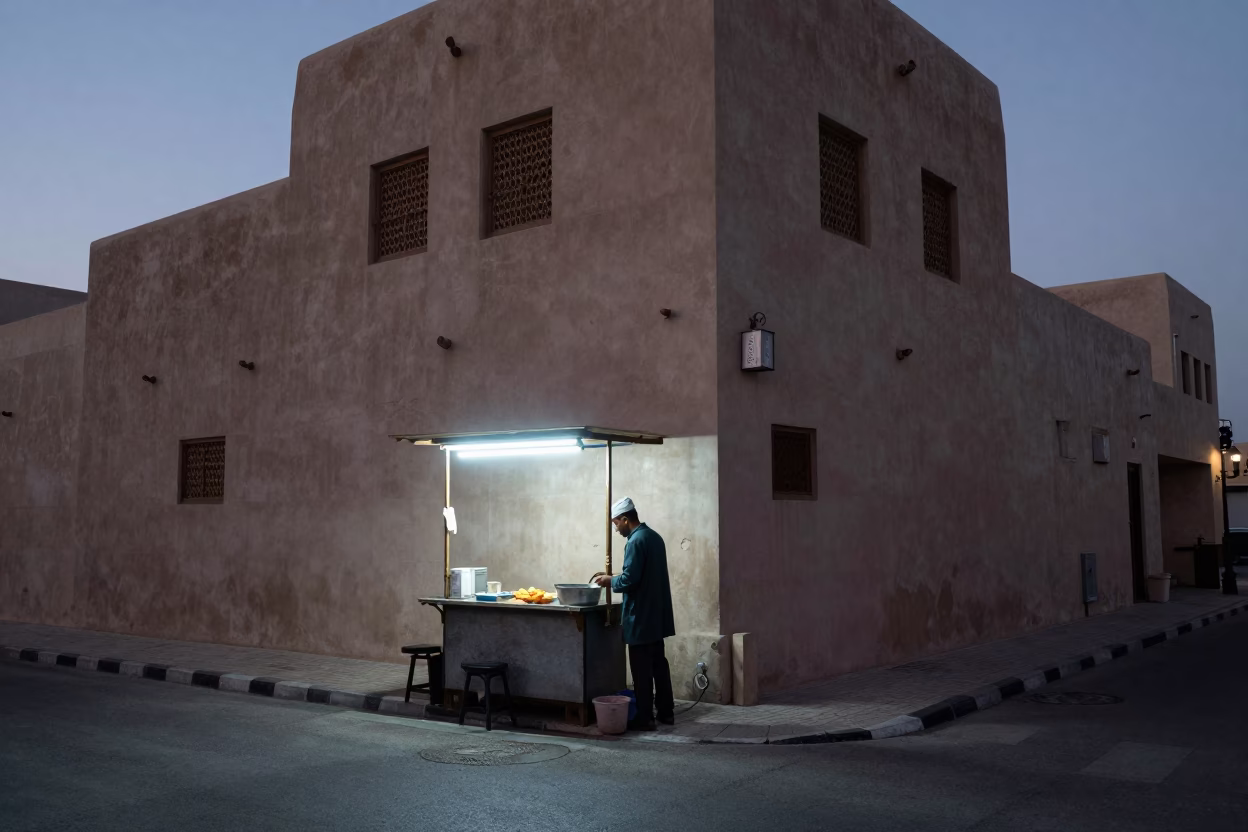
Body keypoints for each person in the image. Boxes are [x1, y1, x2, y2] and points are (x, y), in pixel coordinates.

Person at [593, 496, 675, 730]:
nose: (616, 529)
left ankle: (645, 718)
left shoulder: (635, 541)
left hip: (640, 617)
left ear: (625, 519)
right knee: (659, 665)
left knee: (641, 671)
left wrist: (610, 580)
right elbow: (643, 573)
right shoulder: (655, 537)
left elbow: (630, 579)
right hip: (656, 616)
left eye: (616, 523)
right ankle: (666, 712)